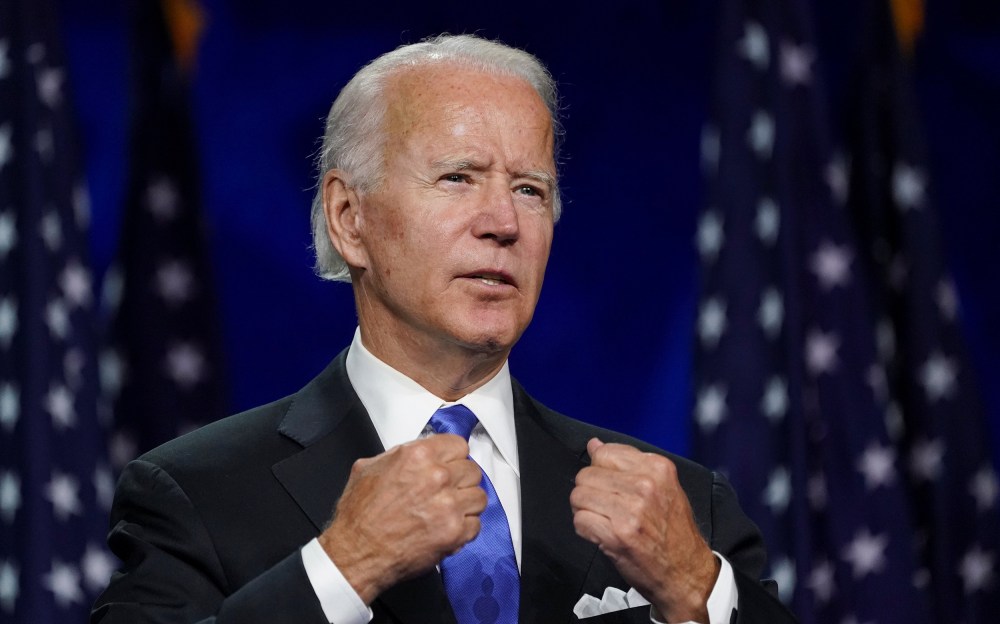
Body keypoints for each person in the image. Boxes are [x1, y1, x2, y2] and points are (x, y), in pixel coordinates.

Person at [92, 34, 796, 624]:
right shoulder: (197, 494)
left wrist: (696, 589)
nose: (504, 223)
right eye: (459, 178)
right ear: (349, 219)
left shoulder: (680, 507)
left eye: (531, 189)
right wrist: (343, 567)